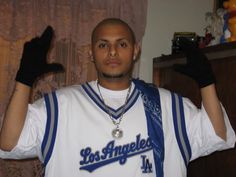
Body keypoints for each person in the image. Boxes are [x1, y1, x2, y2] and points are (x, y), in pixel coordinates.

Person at [0, 18, 235, 177]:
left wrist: (206, 83)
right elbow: (9, 142)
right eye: (103, 45)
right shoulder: (59, 105)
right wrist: (24, 79)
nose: (112, 52)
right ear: (92, 53)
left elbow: (217, 134)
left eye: (121, 44)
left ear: (135, 50)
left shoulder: (167, 104)